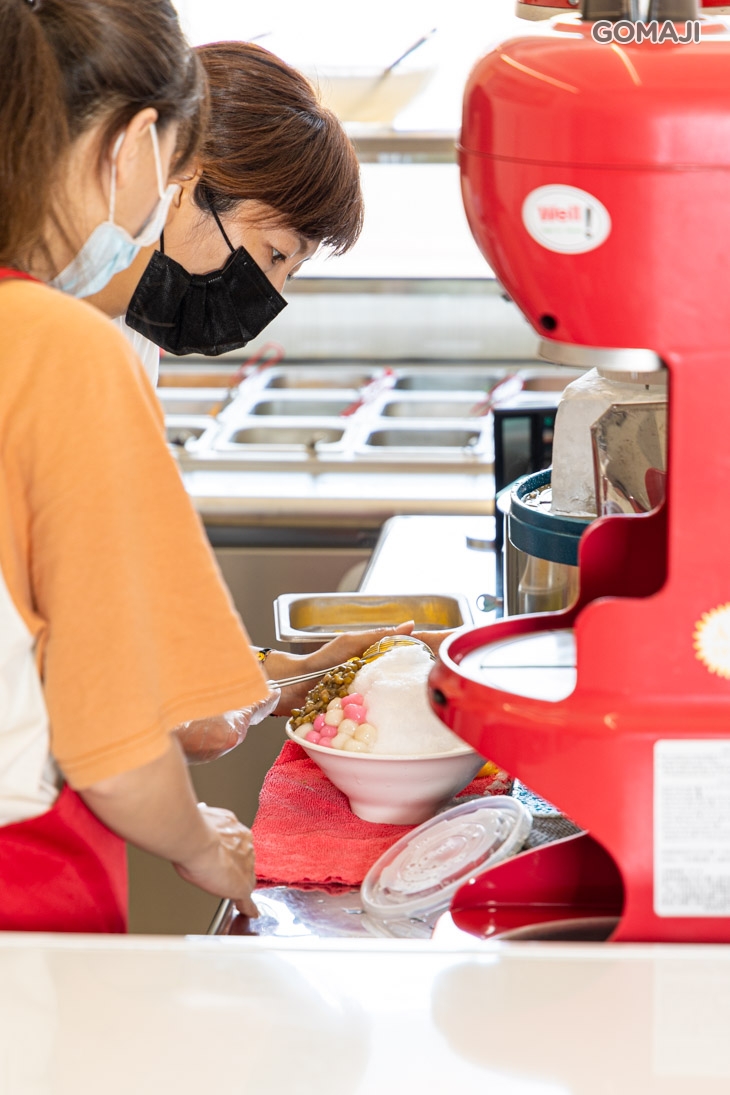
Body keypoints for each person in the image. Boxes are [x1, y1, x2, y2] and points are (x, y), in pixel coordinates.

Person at [0, 0, 436, 933]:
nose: (266, 298)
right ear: (146, 151)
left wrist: (272, 672)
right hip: (26, 872)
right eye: (274, 255)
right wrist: (206, 842)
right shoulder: (65, 346)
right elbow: (116, 722)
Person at [87, 40, 365, 384]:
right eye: (276, 254)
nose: (272, 293)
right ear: (184, 168)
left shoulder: (125, 337)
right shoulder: (28, 319)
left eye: (291, 273)